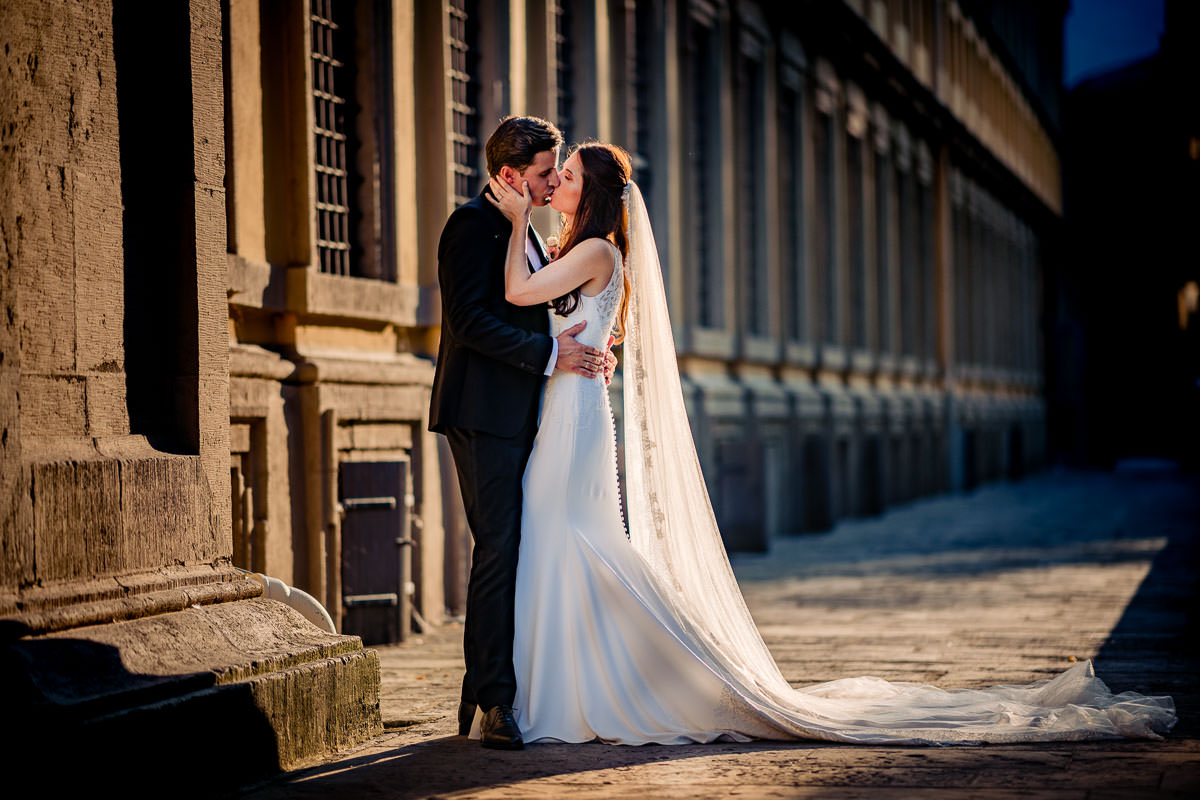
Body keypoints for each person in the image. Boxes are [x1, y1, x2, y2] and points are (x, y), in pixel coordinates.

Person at [481, 140, 1177, 746]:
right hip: (569, 407)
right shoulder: (583, 249)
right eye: (557, 173)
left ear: (593, 194)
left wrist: (514, 221)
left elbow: (516, 292)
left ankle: (614, 683)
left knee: (572, 538)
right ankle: (578, 683)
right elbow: (558, 316)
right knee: (568, 540)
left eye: (568, 174)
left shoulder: (597, 249)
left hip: (575, 418)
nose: (557, 180)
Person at [428, 116, 615, 750]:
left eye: (559, 172)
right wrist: (552, 356)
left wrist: (589, 350)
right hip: (483, 413)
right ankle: (495, 702)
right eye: (544, 172)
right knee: (500, 549)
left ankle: (493, 688)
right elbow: (468, 322)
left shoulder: (528, 230)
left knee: (516, 549)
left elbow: (554, 308)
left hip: (531, 416)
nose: (552, 181)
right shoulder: (470, 226)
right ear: (510, 174)